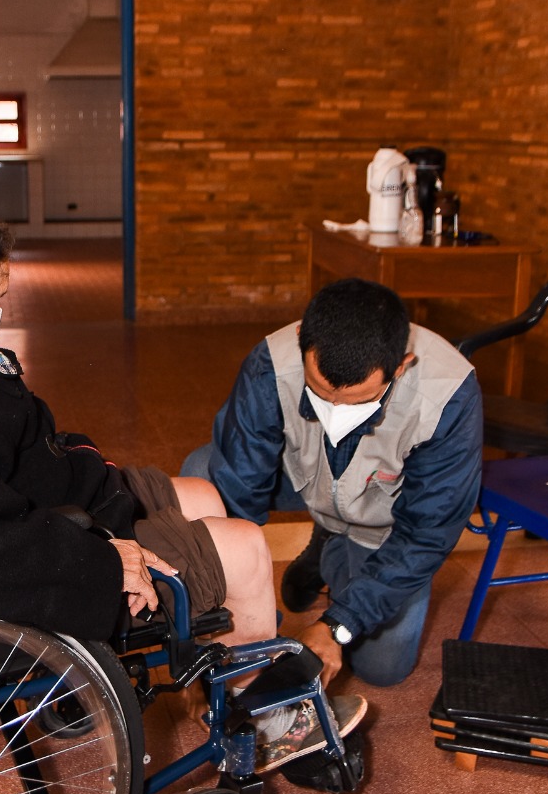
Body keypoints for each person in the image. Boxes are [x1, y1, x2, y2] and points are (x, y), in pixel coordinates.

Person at [0, 181, 366, 770]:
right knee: (248, 550)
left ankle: (212, 680)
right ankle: (260, 720)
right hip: (62, 538)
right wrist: (102, 560)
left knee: (204, 495)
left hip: (56, 493)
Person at [182, 277, 483, 689]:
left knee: (383, 668)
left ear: (400, 366)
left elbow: (426, 533)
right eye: (320, 392)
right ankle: (328, 533)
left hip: (383, 518)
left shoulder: (449, 395)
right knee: (202, 472)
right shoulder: (270, 361)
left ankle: (331, 547)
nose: (336, 410)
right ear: (302, 342)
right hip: (299, 477)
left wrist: (336, 626)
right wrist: (245, 626)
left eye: (357, 401)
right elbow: (240, 488)